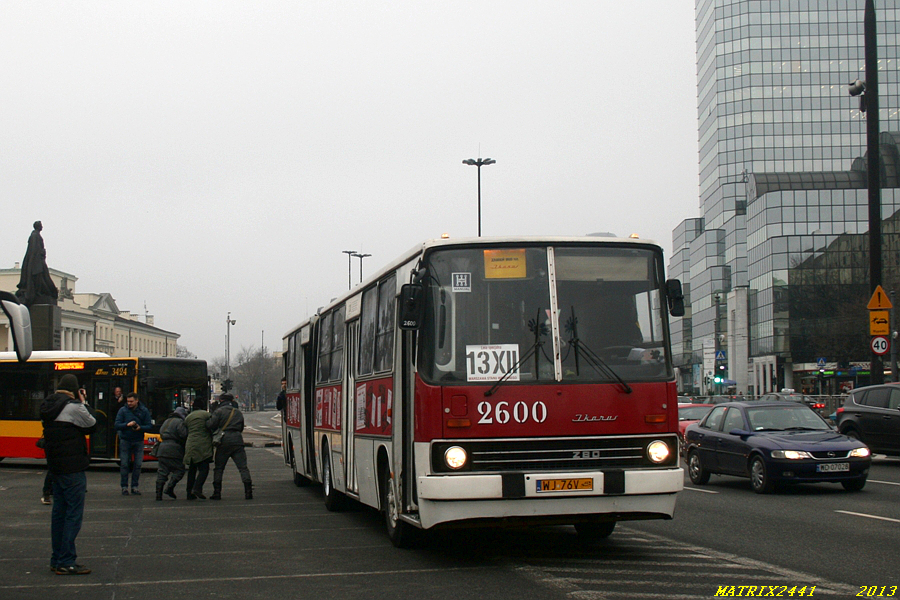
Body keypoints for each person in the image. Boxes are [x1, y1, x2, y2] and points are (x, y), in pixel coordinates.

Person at [40, 374, 96, 575]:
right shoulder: (73, 406)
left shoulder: (48, 404)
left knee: (59, 515)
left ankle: (56, 559)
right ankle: (67, 560)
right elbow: (92, 424)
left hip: (56, 466)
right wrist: (84, 401)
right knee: (73, 515)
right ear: (74, 389)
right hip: (73, 467)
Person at [206, 393, 253, 500]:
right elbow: (241, 427)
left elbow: (210, 425)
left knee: (219, 468)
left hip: (223, 441)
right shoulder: (237, 412)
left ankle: (217, 492)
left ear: (221, 401)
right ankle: (248, 491)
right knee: (243, 467)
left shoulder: (218, 412)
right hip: (237, 440)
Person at [114, 392, 151, 495]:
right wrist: (127, 425)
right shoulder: (123, 410)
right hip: (125, 440)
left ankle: (135, 486)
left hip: (138, 440)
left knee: (138, 465)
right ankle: (124, 487)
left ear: (136, 401)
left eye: (131, 401)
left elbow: (149, 426)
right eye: (128, 401)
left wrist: (140, 428)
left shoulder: (144, 411)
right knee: (125, 464)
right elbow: (116, 425)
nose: (129, 403)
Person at [155, 407, 188, 501]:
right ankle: (169, 488)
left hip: (162, 449)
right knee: (180, 470)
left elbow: (161, 432)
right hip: (174, 448)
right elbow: (183, 434)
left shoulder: (166, 421)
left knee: (162, 471)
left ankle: (158, 494)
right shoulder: (179, 422)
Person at [183, 399, 213, 500]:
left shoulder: (188, 417)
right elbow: (212, 426)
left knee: (192, 469)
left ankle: (189, 492)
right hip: (203, 444)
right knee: (204, 468)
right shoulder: (206, 415)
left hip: (190, 443)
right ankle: (197, 487)